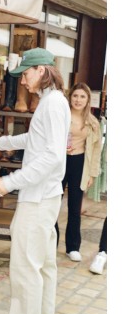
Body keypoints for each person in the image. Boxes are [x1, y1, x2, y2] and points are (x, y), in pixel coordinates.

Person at [0, 47, 71, 314]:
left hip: (38, 199)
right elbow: (33, 141)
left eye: (27, 74)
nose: (23, 81)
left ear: (42, 70)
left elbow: (52, 157)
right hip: (46, 198)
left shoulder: (53, 105)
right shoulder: (51, 103)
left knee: (25, 271)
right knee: (42, 268)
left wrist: (9, 181)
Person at [56, 83, 102, 262]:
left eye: (82, 97)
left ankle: (73, 247)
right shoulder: (62, 116)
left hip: (80, 163)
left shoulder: (92, 122)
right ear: (70, 97)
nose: (78, 100)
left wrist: (91, 174)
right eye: (75, 96)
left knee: (75, 208)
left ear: (88, 100)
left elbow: (96, 149)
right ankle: (50, 243)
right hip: (59, 162)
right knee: (53, 203)